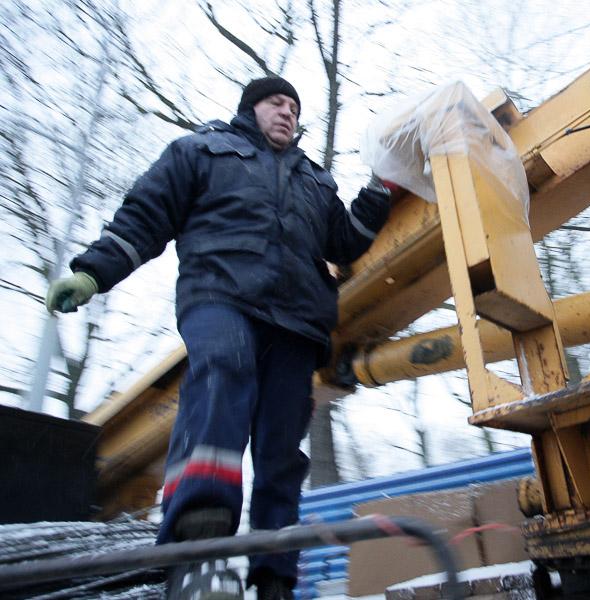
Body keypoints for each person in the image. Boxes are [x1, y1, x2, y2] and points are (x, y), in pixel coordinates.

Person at [46, 76, 394, 600]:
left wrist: (379, 189)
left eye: (295, 107)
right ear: (250, 108)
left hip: (297, 321)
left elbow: (345, 243)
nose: (288, 112)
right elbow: (146, 215)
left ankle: (275, 574)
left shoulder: (316, 182)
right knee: (223, 373)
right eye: (277, 102)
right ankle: (199, 542)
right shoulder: (201, 152)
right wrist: (93, 272)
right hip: (221, 296)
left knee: (282, 444)